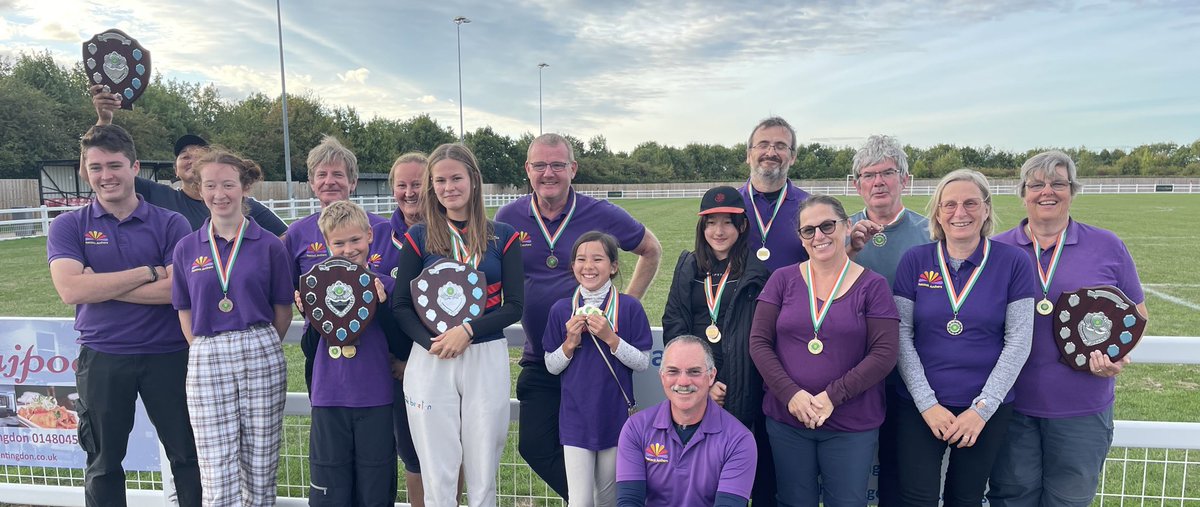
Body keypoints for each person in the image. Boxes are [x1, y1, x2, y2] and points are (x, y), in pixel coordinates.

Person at [495, 133, 662, 501]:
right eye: (540, 165)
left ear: (573, 168)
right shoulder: (508, 217)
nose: (548, 173)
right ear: (528, 169)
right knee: (535, 445)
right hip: (543, 358)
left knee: (605, 451)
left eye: (557, 164)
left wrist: (622, 307)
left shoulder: (599, 213)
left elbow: (651, 250)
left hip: (597, 365)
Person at [46, 124, 202, 506]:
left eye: (114, 165)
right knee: (103, 462)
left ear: (135, 167)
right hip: (102, 357)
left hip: (168, 354)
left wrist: (101, 284)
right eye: (95, 167)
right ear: (86, 171)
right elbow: (71, 290)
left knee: (188, 456)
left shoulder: (171, 223)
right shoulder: (69, 225)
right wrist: (147, 272)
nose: (105, 176)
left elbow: (174, 291)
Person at [988, 151, 1147, 507]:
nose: (1048, 191)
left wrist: (1116, 356)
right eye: (1037, 184)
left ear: (1072, 190)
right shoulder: (995, 249)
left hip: (1082, 406)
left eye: (1058, 183)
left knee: (1069, 501)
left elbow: (1137, 313)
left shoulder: (1107, 245)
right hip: (1010, 406)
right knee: (1011, 499)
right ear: (1023, 192)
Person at [891, 169, 1036, 507]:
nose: (960, 213)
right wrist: (927, 404)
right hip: (920, 407)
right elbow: (900, 333)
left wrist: (982, 409)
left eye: (971, 203)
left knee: (966, 498)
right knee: (917, 498)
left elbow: (1019, 340)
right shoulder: (916, 260)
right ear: (938, 213)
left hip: (985, 407)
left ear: (986, 209)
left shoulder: (1013, 261)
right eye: (950, 204)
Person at [390, 143, 525, 507]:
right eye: (440, 180)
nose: (449, 187)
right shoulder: (418, 237)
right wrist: (431, 342)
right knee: (438, 466)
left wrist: (467, 331)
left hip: (484, 352)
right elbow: (401, 305)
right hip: (432, 356)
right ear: (432, 186)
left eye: (456, 178)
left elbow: (514, 306)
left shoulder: (504, 235)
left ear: (473, 180)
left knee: (483, 462)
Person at [748, 194, 899, 507]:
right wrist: (791, 394)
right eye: (809, 230)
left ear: (846, 227)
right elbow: (759, 342)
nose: (819, 236)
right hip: (788, 419)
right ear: (802, 239)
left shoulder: (873, 286)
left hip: (850, 423)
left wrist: (832, 396)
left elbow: (884, 353)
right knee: (792, 501)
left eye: (827, 226)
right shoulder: (782, 280)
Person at [170, 149, 292, 506]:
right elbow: (184, 310)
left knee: (261, 463)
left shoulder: (269, 244)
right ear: (199, 187)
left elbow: (282, 309)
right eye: (210, 185)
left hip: (259, 346)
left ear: (244, 188)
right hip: (208, 353)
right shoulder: (187, 248)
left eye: (227, 184)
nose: (219, 194)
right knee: (215, 465)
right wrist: (203, 347)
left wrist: (261, 342)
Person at [659, 186, 774, 503]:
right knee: (695, 480)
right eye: (711, 222)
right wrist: (702, 382)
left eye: (727, 222)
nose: (718, 231)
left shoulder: (757, 273)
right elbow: (675, 325)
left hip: (740, 389)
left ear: (742, 227)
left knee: (739, 480)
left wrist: (726, 385)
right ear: (702, 227)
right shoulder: (688, 267)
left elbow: (758, 337)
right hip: (697, 384)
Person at [844, 135, 932, 505]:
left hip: (913, 369)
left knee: (900, 470)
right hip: (851, 367)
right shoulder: (836, 232)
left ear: (906, 179)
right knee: (845, 469)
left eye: (887, 173)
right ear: (856, 184)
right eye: (869, 175)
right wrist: (847, 250)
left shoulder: (932, 232)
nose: (878, 182)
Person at [300, 200, 400, 505]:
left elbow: (400, 344)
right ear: (327, 244)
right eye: (339, 243)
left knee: (375, 484)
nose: (348, 249)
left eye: (355, 239)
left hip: (375, 398)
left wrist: (381, 308)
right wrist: (313, 314)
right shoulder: (316, 287)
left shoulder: (387, 286)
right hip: (330, 399)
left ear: (370, 235)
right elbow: (308, 350)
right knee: (331, 484)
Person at [543, 232, 653, 507]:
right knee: (579, 501)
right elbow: (551, 366)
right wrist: (569, 343)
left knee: (607, 499)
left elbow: (642, 362)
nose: (588, 266)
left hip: (615, 417)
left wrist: (611, 338)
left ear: (613, 266)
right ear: (572, 266)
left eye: (597, 259)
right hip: (575, 418)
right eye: (581, 259)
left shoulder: (629, 308)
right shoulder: (561, 310)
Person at [90, 85, 287, 236]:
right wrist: (104, 121)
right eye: (184, 156)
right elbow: (95, 171)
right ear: (175, 170)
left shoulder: (235, 202)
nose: (190, 159)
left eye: (198, 155)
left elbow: (286, 236)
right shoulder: (157, 195)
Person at [285, 135, 388, 390]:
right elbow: (291, 290)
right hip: (322, 349)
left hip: (377, 349)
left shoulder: (381, 228)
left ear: (353, 182)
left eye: (338, 175)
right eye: (321, 175)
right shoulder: (296, 233)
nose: (329, 181)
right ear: (311, 182)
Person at [615, 335, 757, 507]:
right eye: (673, 371)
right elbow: (629, 501)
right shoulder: (635, 428)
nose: (683, 381)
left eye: (694, 371)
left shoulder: (739, 440)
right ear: (662, 376)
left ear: (711, 376)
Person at [374, 152, 428, 506]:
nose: (409, 193)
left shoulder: (452, 235)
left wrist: (420, 364)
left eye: (418, 184)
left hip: (441, 360)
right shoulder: (375, 236)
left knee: (447, 450)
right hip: (392, 369)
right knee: (411, 454)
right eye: (402, 185)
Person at [739, 117, 812, 273]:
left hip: (794, 297)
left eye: (781, 146)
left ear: (793, 157)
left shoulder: (812, 206)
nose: (771, 152)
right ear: (748, 154)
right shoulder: (731, 204)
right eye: (763, 145)